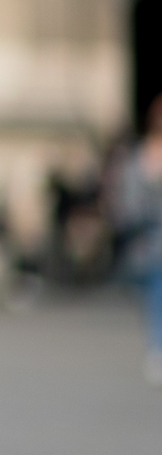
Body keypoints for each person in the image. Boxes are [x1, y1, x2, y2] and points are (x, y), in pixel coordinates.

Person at [114, 99, 162, 384]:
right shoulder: (140, 159)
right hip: (151, 246)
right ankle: (158, 349)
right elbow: (129, 207)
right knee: (157, 296)